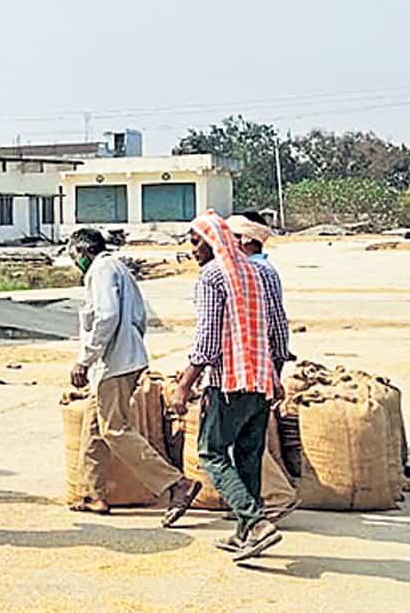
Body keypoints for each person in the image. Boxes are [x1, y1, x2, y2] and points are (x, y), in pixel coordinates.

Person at [170, 211, 284, 562]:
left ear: (211, 242)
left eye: (195, 243)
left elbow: (207, 341)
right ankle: (244, 534)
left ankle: (256, 522)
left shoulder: (213, 275)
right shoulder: (257, 271)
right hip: (261, 381)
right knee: (248, 455)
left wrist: (184, 385)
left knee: (211, 452)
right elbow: (277, 328)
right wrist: (275, 373)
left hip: (230, 381)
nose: (193, 251)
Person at [66, 229, 202, 522]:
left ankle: (175, 483)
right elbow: (139, 317)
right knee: (94, 424)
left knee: (114, 430)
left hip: (115, 362)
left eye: (75, 256)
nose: (76, 263)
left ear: (84, 251)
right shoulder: (118, 268)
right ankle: (94, 493)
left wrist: (84, 359)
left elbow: (106, 316)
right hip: (126, 357)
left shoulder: (100, 270)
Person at [227, 210, 299, 522]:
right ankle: (250, 500)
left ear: (245, 239)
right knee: (250, 433)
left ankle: (276, 496)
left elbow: (274, 322)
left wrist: (276, 362)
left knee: (241, 434)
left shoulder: (259, 272)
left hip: (256, 365)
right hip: (257, 363)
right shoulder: (256, 268)